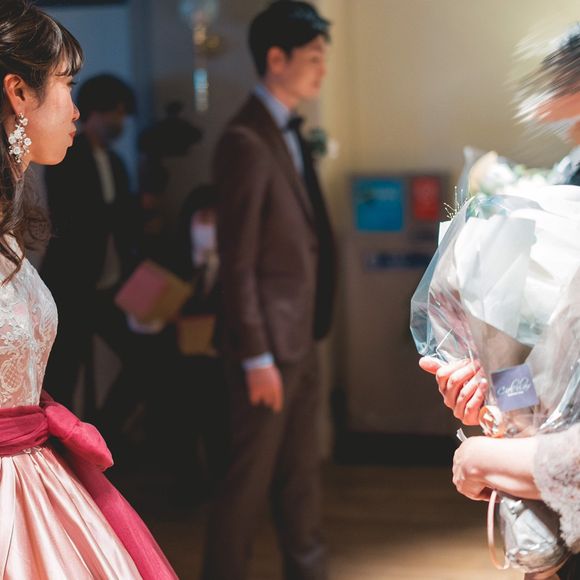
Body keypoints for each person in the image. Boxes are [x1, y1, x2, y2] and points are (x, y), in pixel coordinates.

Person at [0, 1, 177, 578]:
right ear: (18, 93)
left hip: (35, 471)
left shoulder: (9, 222)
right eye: (66, 85)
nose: (74, 109)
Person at [419, 24, 580, 580]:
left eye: (561, 87)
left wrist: (487, 459)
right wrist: (497, 398)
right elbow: (526, 349)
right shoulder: (567, 179)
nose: (545, 111)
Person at [202, 2, 336, 579]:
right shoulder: (245, 138)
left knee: (301, 479)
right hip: (267, 350)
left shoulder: (287, 131)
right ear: (276, 59)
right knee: (246, 484)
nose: (322, 69)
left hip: (301, 336)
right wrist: (256, 356)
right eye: (313, 57)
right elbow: (237, 262)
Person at [40, 73, 137, 412]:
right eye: (115, 112)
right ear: (95, 112)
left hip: (110, 283)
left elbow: (122, 221)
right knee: (64, 373)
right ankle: (63, 441)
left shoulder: (116, 162)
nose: (120, 121)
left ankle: (107, 431)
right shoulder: (68, 155)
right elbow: (72, 216)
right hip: (73, 282)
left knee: (139, 357)